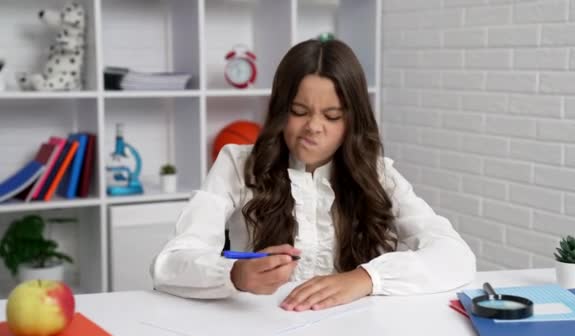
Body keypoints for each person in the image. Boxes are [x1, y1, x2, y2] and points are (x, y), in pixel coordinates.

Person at [151, 39, 476, 312]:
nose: (313, 128)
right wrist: (234, 274)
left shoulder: (376, 172)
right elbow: (169, 264)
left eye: (332, 116)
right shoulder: (237, 164)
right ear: (280, 110)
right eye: (299, 112)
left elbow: (455, 255)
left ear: (351, 120)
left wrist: (364, 279)